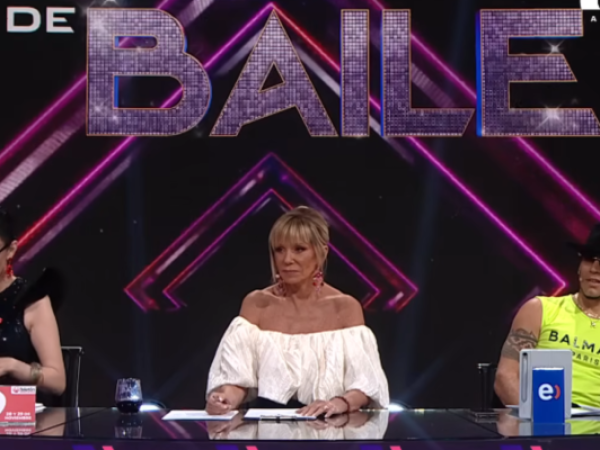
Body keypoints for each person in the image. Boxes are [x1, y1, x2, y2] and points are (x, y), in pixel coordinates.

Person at [206, 206, 389, 417]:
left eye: (299, 249)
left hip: (329, 424)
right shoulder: (256, 304)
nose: (287, 259)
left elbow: (366, 384)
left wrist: (338, 403)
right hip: (267, 428)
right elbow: (238, 379)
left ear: (322, 252)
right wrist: (224, 399)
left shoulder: (345, 308)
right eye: (279, 250)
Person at [495, 223, 600, 407]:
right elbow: (506, 377)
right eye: (590, 259)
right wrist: (538, 420)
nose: (595, 269)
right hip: (542, 418)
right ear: (579, 266)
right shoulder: (539, 310)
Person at [0, 209, 65, 396]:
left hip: (13, 410)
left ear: (11, 250)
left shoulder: (31, 300)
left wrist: (12, 366)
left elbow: (58, 381)